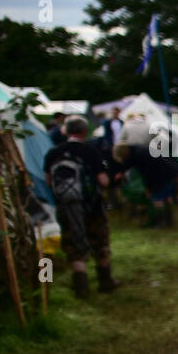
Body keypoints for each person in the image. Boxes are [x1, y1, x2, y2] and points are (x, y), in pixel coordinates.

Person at [43, 116, 119, 298]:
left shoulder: (53, 153)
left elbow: (48, 182)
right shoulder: (90, 151)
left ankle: (81, 286)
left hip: (66, 206)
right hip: (91, 206)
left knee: (73, 242)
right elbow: (103, 180)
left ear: (65, 131)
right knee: (99, 241)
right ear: (84, 131)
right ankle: (105, 281)